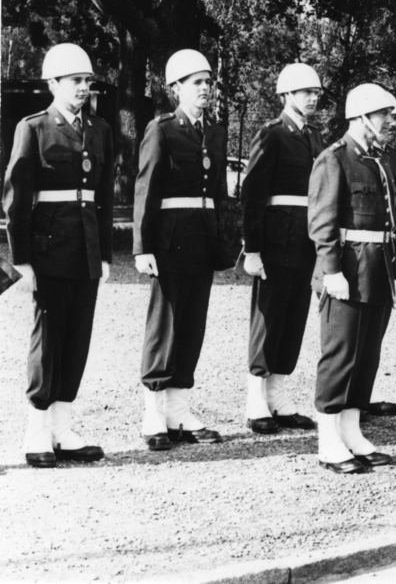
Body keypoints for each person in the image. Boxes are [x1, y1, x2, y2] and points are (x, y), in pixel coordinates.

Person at [4, 43, 113, 468]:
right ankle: (36, 431)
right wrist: (22, 259)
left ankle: (63, 430)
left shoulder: (100, 129)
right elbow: (16, 197)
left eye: (87, 80)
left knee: (77, 337)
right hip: (49, 249)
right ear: (53, 84)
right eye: (75, 80)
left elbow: (103, 198)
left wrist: (104, 253)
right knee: (48, 339)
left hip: (86, 248)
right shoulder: (33, 128)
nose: (83, 87)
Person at [308, 83, 396, 474]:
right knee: (340, 356)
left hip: (377, 271)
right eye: (384, 115)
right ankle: (328, 441)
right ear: (361, 117)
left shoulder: (378, 161)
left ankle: (351, 433)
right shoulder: (334, 159)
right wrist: (332, 270)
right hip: (347, 272)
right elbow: (322, 223)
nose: (391, 122)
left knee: (367, 356)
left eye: (392, 115)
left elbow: (386, 222)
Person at [134, 49, 232, 450]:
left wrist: (223, 239)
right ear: (176, 88)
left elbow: (219, 192)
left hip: (203, 239)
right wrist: (143, 247)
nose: (205, 88)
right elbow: (146, 189)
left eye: (208, 82)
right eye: (197, 82)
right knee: (166, 325)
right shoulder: (161, 129)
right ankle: (153, 412)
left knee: (193, 324)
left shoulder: (215, 131)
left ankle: (178, 410)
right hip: (170, 241)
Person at [239, 63, 325, 434]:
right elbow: (253, 194)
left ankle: (277, 397)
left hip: (305, 242)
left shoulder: (315, 137)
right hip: (275, 243)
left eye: (316, 92)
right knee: (269, 318)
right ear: (286, 95)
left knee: (293, 319)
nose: (312, 98)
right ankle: (256, 400)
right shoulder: (271, 134)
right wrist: (253, 249)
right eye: (306, 92)